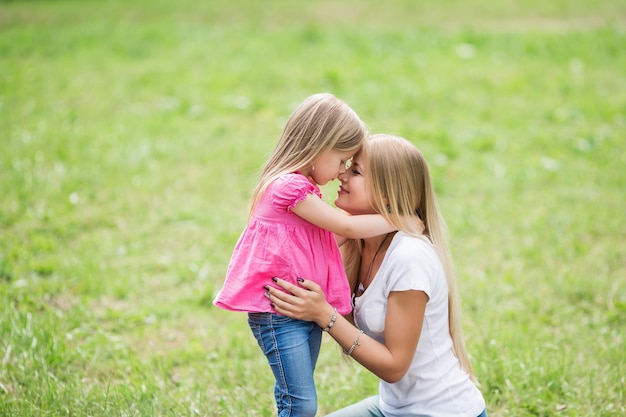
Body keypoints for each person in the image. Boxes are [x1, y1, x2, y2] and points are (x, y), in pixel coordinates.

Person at [266, 133, 488, 417]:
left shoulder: (409, 257)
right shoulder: (357, 242)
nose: (341, 175)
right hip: (391, 409)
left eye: (355, 171)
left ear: (387, 193)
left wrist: (325, 315)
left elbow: (394, 366)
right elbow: (291, 261)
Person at [213, 94, 397, 417]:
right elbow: (345, 227)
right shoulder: (287, 187)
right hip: (280, 313)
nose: (343, 172)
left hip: (303, 309)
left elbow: (330, 236)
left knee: (296, 398)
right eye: (342, 161)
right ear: (319, 147)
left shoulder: (303, 191)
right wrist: (399, 218)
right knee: (301, 404)